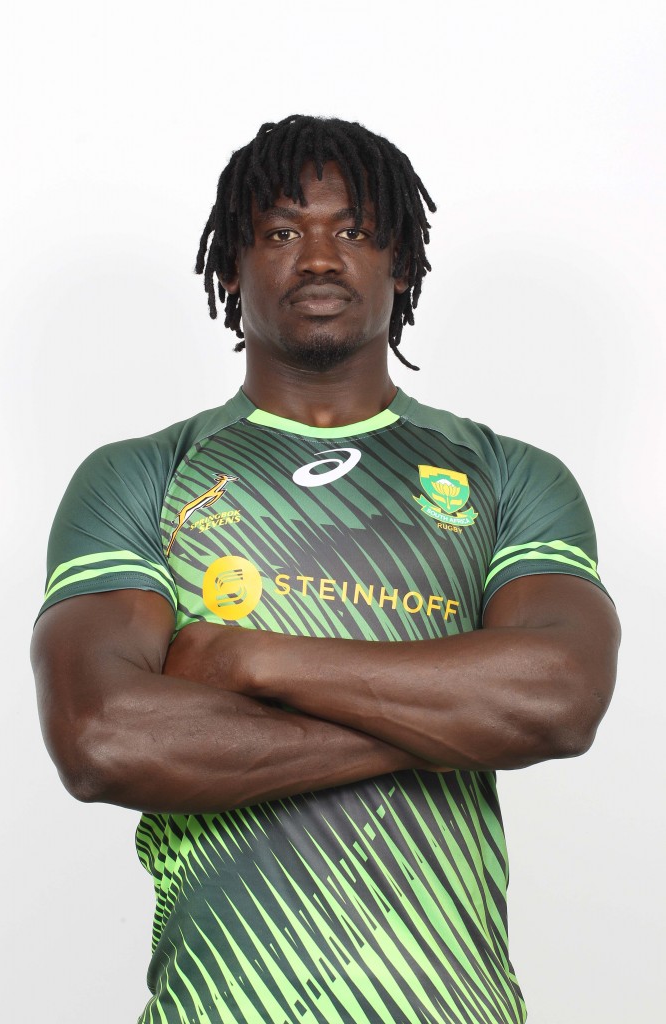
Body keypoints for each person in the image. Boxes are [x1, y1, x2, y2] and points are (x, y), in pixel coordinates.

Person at [31, 114, 620, 1024]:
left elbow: (557, 700)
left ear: (402, 264)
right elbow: (107, 739)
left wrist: (243, 660)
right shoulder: (141, 475)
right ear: (230, 268)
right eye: (278, 232)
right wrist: (447, 722)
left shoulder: (507, 475)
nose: (316, 258)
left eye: (351, 230)